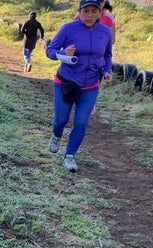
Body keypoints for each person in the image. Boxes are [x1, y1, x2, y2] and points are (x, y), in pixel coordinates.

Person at [45, 0, 112, 172]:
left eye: (93, 11)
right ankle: (56, 135)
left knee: (81, 122)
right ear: (79, 11)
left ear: (100, 12)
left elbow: (107, 55)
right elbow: (50, 51)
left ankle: (69, 156)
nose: (89, 15)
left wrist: (106, 70)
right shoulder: (68, 28)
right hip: (66, 82)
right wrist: (62, 53)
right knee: (61, 120)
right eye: (85, 11)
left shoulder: (105, 32)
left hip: (90, 85)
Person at [74, 0, 115, 115]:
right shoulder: (79, 16)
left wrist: (100, 46)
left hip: (99, 57)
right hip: (80, 58)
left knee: (95, 80)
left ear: (103, 3)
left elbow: (113, 40)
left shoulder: (108, 18)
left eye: (100, 1)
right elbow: (73, 34)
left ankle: (91, 102)